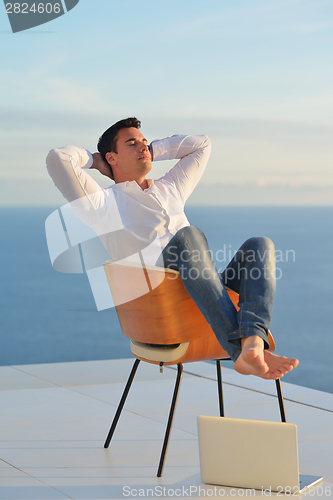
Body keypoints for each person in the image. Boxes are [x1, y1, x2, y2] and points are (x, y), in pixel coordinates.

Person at [46, 117, 299, 380]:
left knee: (260, 246)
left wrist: (153, 150)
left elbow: (202, 145)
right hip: (164, 310)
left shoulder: (170, 187)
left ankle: (252, 344)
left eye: (144, 142)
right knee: (188, 237)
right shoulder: (102, 204)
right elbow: (58, 158)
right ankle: (239, 350)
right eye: (132, 144)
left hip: (205, 297)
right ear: (112, 158)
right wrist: (94, 160)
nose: (143, 147)